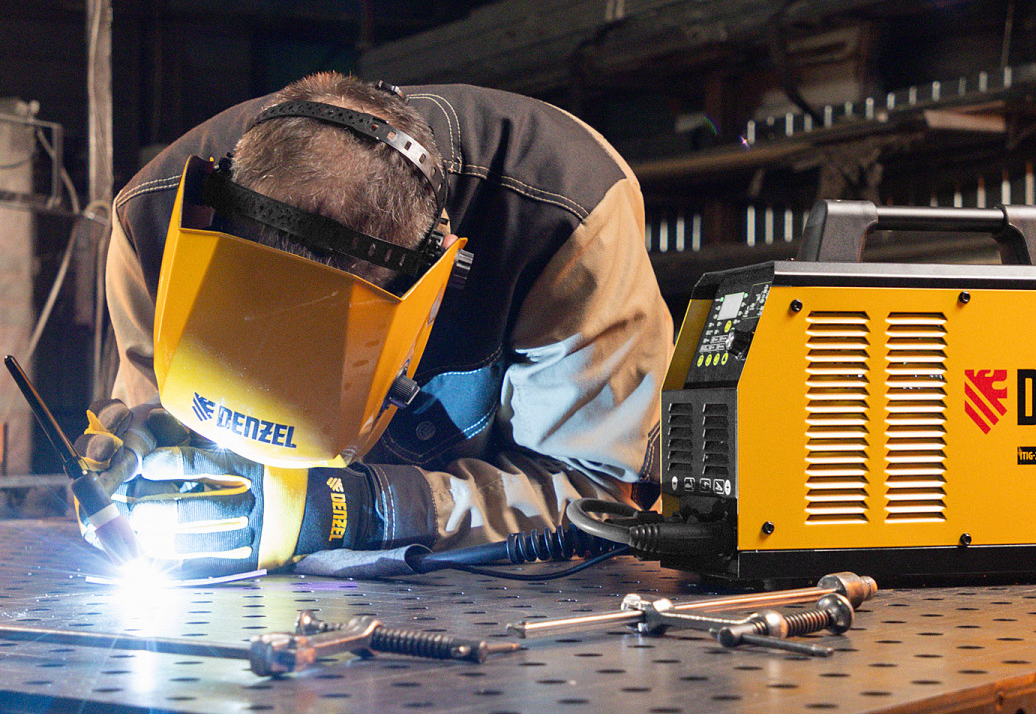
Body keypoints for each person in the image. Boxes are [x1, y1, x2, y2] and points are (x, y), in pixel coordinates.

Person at [83, 72, 673, 578]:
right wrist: (142, 462)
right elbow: (155, 432)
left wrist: (366, 509)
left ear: (437, 272)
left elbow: (603, 500)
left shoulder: (564, 214)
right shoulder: (154, 219)